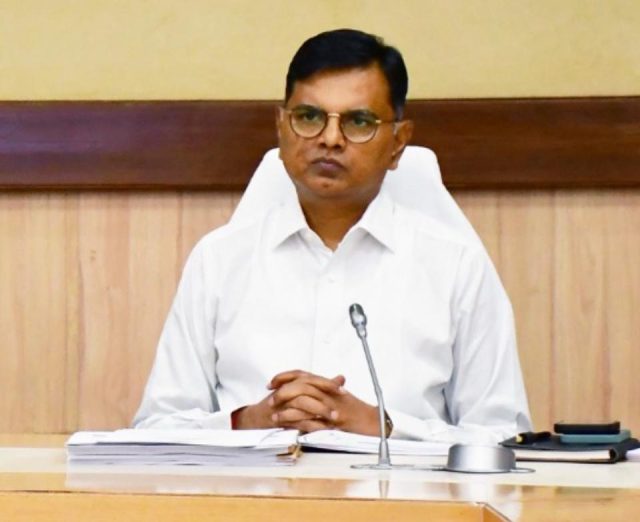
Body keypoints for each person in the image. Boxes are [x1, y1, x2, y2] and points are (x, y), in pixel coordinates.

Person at [133, 29, 531, 443]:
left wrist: (382, 427)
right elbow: (157, 429)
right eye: (309, 117)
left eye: (359, 122)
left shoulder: (456, 265)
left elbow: (505, 438)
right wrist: (248, 421)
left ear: (398, 144)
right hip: (252, 486)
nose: (329, 139)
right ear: (281, 128)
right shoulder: (218, 259)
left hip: (398, 487)